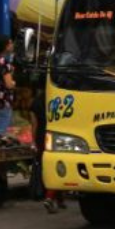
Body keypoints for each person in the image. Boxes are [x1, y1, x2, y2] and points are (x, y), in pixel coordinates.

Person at [29, 73, 66, 213]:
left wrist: (33, 142)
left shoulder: (35, 102)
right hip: (56, 136)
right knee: (59, 166)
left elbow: (34, 124)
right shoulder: (58, 100)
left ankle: (58, 198)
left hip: (41, 137)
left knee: (48, 168)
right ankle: (51, 197)